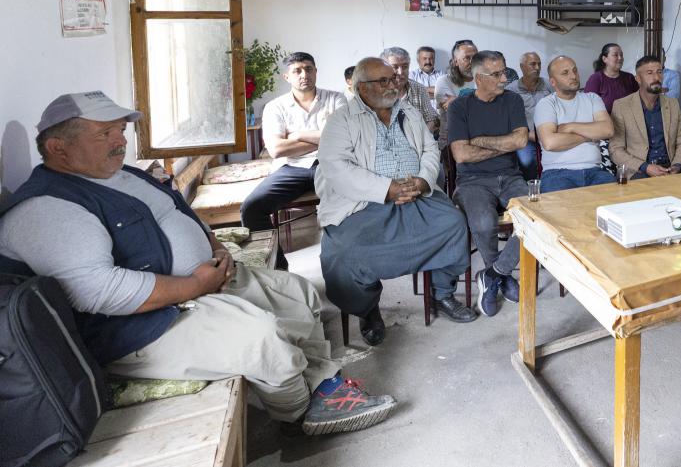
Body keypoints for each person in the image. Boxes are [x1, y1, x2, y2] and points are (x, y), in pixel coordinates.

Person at [0, 92, 395, 436]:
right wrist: (195, 286)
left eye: (120, 130)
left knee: (297, 293)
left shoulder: (117, 174)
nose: (119, 141)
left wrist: (216, 249)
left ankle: (322, 382)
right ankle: (299, 412)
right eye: (104, 134)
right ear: (57, 148)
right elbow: (102, 293)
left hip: (202, 281)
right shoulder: (46, 210)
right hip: (142, 324)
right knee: (261, 337)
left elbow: (180, 212)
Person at [316, 58, 477, 346]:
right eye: (384, 81)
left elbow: (430, 149)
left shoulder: (409, 112)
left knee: (453, 224)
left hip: (415, 194)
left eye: (393, 79)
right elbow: (336, 168)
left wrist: (424, 181)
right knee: (344, 253)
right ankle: (368, 310)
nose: (394, 84)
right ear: (361, 87)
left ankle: (441, 293)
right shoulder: (341, 120)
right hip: (365, 202)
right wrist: (386, 189)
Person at [242, 52, 345, 270]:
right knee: (251, 208)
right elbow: (277, 149)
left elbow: (343, 138)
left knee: (346, 203)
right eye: (297, 71)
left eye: (308, 69)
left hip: (329, 163)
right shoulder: (275, 107)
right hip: (291, 167)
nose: (304, 74)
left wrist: (296, 135)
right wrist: (323, 137)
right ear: (287, 77)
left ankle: (341, 264)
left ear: (316, 71)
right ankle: (278, 270)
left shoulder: (336, 99)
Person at [446, 51, 528, 318]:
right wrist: (502, 144)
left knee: (537, 219)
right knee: (483, 223)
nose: (504, 78)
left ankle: (493, 274)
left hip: (511, 176)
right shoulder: (460, 107)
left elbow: (520, 142)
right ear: (478, 78)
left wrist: (479, 140)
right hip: (472, 180)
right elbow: (461, 155)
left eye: (505, 71)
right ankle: (502, 277)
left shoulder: (513, 100)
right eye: (497, 74)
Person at [534, 56, 615, 191]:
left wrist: (569, 127)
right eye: (565, 73)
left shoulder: (592, 98)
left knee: (616, 205)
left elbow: (608, 130)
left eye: (574, 70)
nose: (573, 76)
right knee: (564, 211)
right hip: (557, 173)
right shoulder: (546, 104)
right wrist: (590, 135)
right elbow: (550, 142)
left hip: (595, 171)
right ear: (553, 82)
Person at [610, 55, 681, 179]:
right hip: (638, 170)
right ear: (638, 78)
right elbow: (616, 150)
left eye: (659, 72)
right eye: (649, 73)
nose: (656, 77)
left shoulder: (673, 104)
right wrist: (645, 167)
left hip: (669, 169)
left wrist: (678, 165)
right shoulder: (621, 106)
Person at [506, 51, 552, 181]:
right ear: (522, 67)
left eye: (539, 64)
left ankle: (552, 186)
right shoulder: (511, 90)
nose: (537, 68)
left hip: (550, 132)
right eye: (533, 64)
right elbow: (508, 121)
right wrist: (527, 134)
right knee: (527, 161)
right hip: (526, 137)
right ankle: (532, 190)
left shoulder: (548, 85)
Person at [380, 46, 439, 135]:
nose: (400, 72)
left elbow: (432, 119)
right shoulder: (375, 92)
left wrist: (422, 137)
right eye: (395, 67)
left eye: (405, 67)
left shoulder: (419, 89)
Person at [435, 39, 477, 147]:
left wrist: (459, 101)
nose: (473, 62)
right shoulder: (444, 81)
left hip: (480, 138)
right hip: (452, 142)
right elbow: (456, 112)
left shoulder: (485, 79)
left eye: (475, 57)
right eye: (467, 58)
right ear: (455, 62)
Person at [583, 42, 638, 114]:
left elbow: (637, 100)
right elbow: (588, 107)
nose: (620, 58)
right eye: (615, 55)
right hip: (606, 122)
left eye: (621, 55)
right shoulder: (595, 79)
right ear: (604, 59)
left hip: (629, 119)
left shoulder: (629, 77)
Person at [412, 46, 440, 113]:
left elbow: (445, 92)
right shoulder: (411, 75)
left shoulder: (442, 74)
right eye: (424, 58)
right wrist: (437, 93)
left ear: (434, 60)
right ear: (418, 60)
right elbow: (411, 95)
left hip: (440, 118)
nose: (428, 61)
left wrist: (420, 90)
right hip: (420, 119)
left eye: (431, 58)